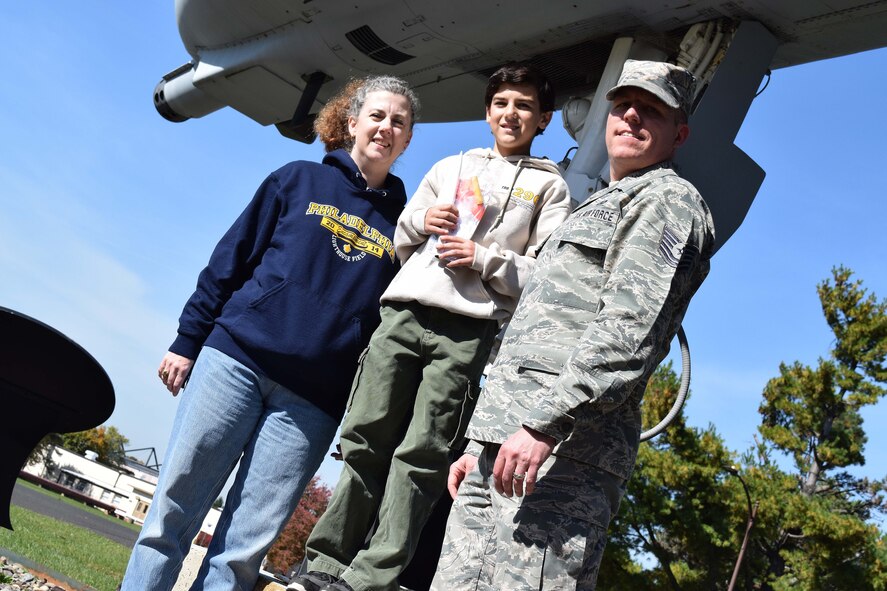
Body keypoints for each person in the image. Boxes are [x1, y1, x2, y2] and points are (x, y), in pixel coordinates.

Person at [119, 75, 419, 591]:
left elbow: (387, 332)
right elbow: (230, 260)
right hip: (234, 362)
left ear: (407, 139)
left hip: (313, 403)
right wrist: (187, 340)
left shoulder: (408, 227)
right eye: (376, 115)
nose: (385, 127)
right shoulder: (297, 179)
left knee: (240, 552)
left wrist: (363, 418)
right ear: (352, 123)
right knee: (170, 518)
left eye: (399, 121)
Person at [430, 59, 716, 590]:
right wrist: (479, 445)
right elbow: (535, 330)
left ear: (679, 134)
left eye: (650, 110)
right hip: (504, 446)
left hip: (563, 458)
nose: (631, 116)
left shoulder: (668, 202)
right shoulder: (594, 207)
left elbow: (627, 335)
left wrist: (543, 424)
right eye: (623, 104)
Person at [289, 63, 572, 591]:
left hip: (468, 331)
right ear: (488, 112)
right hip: (405, 312)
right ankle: (323, 564)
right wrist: (426, 222)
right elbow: (400, 236)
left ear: (544, 119)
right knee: (365, 435)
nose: (512, 114)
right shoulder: (450, 166)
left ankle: (369, 578)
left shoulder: (549, 189)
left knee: (422, 453)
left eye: (525, 106)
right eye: (502, 103)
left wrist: (484, 258)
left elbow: (544, 275)